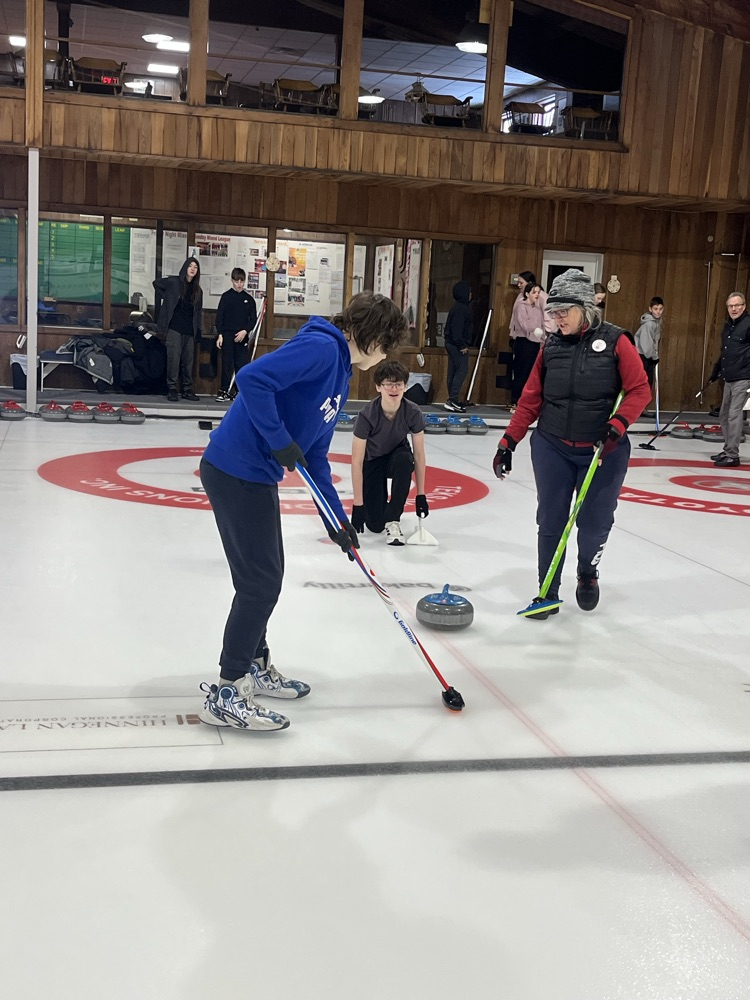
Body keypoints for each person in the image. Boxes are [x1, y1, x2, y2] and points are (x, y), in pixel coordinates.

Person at [199, 291, 408, 731]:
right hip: (236, 468)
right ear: (371, 335)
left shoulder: (340, 372)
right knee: (260, 584)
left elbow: (314, 455)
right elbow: (253, 377)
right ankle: (228, 688)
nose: (387, 354)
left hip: (254, 474)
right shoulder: (321, 348)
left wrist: (339, 523)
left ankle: (254, 664)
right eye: (386, 343)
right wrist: (277, 438)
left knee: (263, 578)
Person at [492, 268, 651, 619]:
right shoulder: (551, 346)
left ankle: (587, 572)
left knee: (594, 522)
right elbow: (531, 398)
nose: (557, 317)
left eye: (564, 311)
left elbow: (640, 389)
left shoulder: (616, 341)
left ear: (585, 307)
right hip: (552, 445)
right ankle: (547, 591)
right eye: (553, 311)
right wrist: (508, 441)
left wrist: (618, 424)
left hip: (602, 450)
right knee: (551, 519)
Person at [350, 359, 428, 547]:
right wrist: (358, 504)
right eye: (388, 384)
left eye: (398, 384)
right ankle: (380, 512)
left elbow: (419, 454)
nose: (394, 389)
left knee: (405, 460)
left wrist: (421, 494)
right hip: (373, 461)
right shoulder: (367, 415)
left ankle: (393, 519)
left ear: (405, 386)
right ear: (378, 387)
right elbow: (357, 462)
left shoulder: (412, 412)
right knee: (375, 525)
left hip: (396, 456)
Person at [707, 291, 750, 467]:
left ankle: (733, 455)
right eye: (731, 306)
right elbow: (725, 352)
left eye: (737, 305)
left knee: (734, 415)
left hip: (744, 377)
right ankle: (727, 450)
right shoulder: (728, 326)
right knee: (724, 415)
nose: (734, 309)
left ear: (744, 306)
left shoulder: (748, 324)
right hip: (729, 377)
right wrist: (716, 372)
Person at [153, 257, 203, 402]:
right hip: (174, 327)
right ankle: (172, 388)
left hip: (189, 330)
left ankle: (187, 389)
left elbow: (198, 312)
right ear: (185, 267)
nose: (193, 269)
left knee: (188, 361)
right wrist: (166, 297)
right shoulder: (174, 282)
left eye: (196, 267)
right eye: (190, 266)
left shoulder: (198, 290)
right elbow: (156, 283)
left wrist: (198, 331)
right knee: (173, 359)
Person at [508, 282, 554, 411]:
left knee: (531, 374)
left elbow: (542, 325)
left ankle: (527, 402)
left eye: (539, 292)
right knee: (521, 372)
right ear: (527, 293)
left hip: (535, 343)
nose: (537, 295)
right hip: (524, 342)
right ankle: (515, 401)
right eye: (534, 292)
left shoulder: (538, 309)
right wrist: (535, 329)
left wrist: (543, 337)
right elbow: (524, 324)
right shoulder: (521, 307)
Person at [215, 268, 257, 402]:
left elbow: (253, 319)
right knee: (227, 364)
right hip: (227, 334)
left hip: (242, 336)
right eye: (236, 281)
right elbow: (219, 317)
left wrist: (245, 330)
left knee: (241, 365)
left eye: (241, 281)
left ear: (244, 281)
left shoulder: (249, 300)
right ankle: (224, 390)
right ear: (232, 281)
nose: (239, 284)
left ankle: (238, 391)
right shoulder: (226, 297)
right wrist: (220, 334)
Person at [443, 280, 473, 412]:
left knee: (453, 371)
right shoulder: (461, 308)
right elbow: (457, 330)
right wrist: (461, 345)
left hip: (451, 343)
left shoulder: (456, 307)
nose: (471, 294)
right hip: (456, 345)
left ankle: (452, 399)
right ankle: (452, 399)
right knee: (461, 370)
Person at [634, 296, 664, 389]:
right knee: (644, 386)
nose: (658, 311)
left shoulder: (656, 322)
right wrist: (654, 357)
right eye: (655, 309)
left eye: (660, 309)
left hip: (648, 357)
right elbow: (646, 344)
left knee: (647, 386)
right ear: (650, 309)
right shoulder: (649, 324)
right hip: (643, 357)